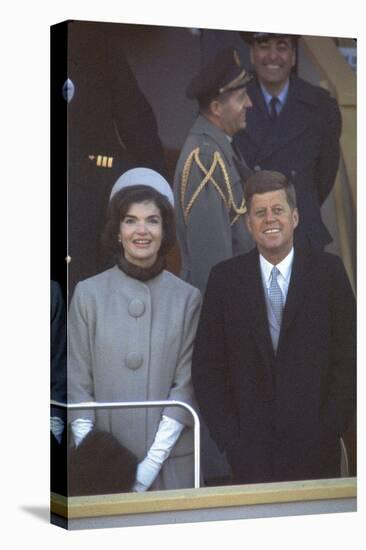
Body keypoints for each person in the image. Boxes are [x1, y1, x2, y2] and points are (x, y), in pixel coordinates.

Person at [192, 170, 356, 484]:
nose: (270, 219)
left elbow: (348, 358)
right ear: (249, 223)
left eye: (278, 210)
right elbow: (207, 368)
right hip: (249, 455)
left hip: (317, 451)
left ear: (295, 217)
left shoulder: (329, 273)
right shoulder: (225, 280)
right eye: (260, 212)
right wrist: (230, 439)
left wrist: (330, 427)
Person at [68, 168, 202, 492]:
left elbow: (185, 388)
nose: (141, 231)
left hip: (169, 468)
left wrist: (148, 468)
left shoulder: (188, 299)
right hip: (101, 473)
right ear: (117, 231)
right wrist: (103, 465)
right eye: (130, 220)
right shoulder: (87, 294)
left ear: (164, 229)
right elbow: (76, 387)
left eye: (152, 220)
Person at [234, 32, 342, 252]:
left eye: (282, 46)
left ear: (293, 56)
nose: (273, 56)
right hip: (251, 236)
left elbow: (324, 177)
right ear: (252, 54)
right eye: (264, 46)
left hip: (301, 233)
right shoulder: (233, 102)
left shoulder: (322, 106)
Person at [174, 47, 254, 296]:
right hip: (218, 304)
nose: (249, 104)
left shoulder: (219, 147)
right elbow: (212, 263)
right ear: (217, 107)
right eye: (241, 97)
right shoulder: (206, 159)